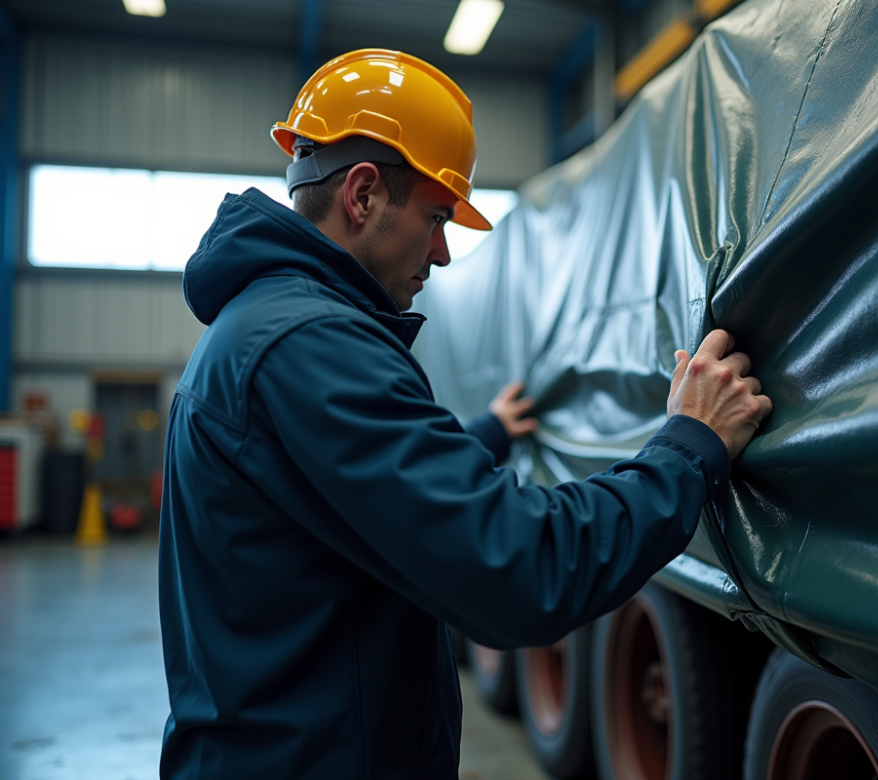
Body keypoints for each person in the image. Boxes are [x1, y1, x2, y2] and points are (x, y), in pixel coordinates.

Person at [158, 49, 771, 779]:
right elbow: (522, 571)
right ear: (362, 194)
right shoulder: (310, 346)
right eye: (437, 217)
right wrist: (690, 446)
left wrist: (487, 435)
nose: (444, 253)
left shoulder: (268, 327)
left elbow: (358, 491)